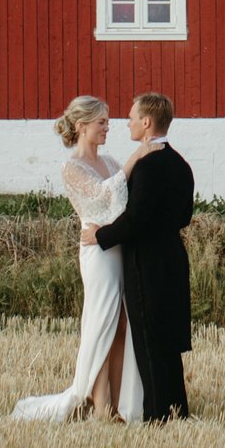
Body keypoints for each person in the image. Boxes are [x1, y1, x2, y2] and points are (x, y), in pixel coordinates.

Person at [12, 96, 163, 422]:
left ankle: (120, 403)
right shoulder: (73, 167)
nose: (108, 128)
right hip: (97, 252)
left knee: (122, 324)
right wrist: (137, 157)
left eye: (108, 122)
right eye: (102, 123)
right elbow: (102, 195)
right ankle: (100, 406)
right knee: (102, 324)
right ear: (82, 126)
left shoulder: (109, 161)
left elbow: (121, 201)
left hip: (118, 245)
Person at [84, 90, 193, 421]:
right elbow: (184, 216)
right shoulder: (180, 164)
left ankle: (158, 414)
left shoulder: (148, 167)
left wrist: (99, 235)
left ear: (146, 123)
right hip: (173, 258)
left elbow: (136, 220)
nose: (127, 123)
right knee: (168, 339)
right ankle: (177, 410)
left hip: (147, 262)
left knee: (148, 338)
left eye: (132, 118)